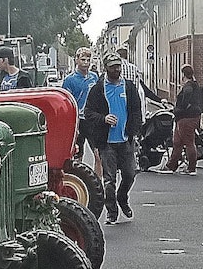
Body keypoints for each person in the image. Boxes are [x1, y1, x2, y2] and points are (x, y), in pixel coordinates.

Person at [82, 54, 144, 225]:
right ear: (105, 68)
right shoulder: (98, 89)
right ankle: (112, 211)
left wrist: (135, 132)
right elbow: (88, 113)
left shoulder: (129, 87)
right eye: (112, 67)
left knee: (130, 174)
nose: (116, 69)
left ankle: (122, 198)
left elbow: (136, 111)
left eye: (118, 66)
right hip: (107, 141)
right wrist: (104, 118)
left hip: (126, 140)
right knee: (109, 180)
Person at [61, 47, 101, 173]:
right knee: (78, 154)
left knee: (98, 153)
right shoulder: (70, 79)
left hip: (93, 119)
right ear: (76, 60)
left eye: (88, 60)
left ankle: (99, 182)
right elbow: (66, 101)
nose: (86, 62)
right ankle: (78, 180)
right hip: (78, 120)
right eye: (83, 59)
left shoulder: (94, 77)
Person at [161, 64, 203, 174]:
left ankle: (191, 168)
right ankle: (171, 165)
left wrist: (182, 107)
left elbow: (187, 96)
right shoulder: (195, 85)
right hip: (187, 117)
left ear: (183, 75)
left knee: (189, 142)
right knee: (177, 142)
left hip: (186, 118)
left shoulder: (188, 86)